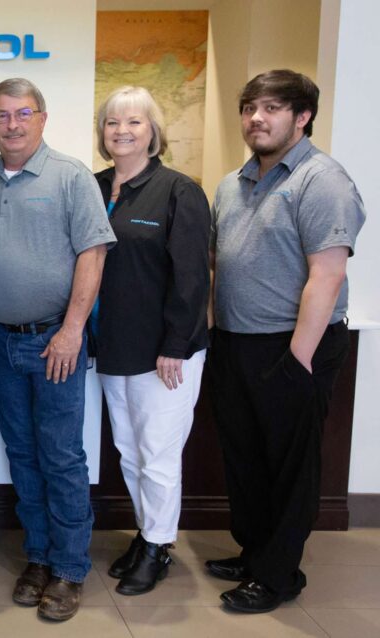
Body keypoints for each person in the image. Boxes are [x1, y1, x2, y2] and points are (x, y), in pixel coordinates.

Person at [207, 69, 366, 613]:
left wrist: (296, 359)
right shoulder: (234, 182)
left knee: (289, 467)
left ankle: (277, 576)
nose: (257, 118)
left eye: (272, 108)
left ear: (302, 117)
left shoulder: (322, 180)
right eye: (250, 107)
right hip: (235, 343)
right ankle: (255, 554)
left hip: (292, 347)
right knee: (246, 460)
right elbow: (215, 261)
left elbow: (328, 274)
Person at [0, 78, 115, 621]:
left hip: (55, 341)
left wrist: (73, 329)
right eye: (2, 115)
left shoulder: (70, 175)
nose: (12, 124)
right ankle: (38, 556)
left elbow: (93, 254)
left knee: (61, 456)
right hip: (3, 342)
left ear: (43, 118)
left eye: (23, 113)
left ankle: (70, 568)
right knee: (23, 455)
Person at [92, 86, 211, 595]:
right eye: (113, 122)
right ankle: (147, 535)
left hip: (165, 352)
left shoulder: (179, 190)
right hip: (112, 347)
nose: (122, 131)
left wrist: (175, 345)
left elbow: (191, 276)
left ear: (153, 131)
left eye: (134, 122)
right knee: (130, 452)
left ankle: (159, 545)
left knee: (159, 454)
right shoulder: (94, 187)